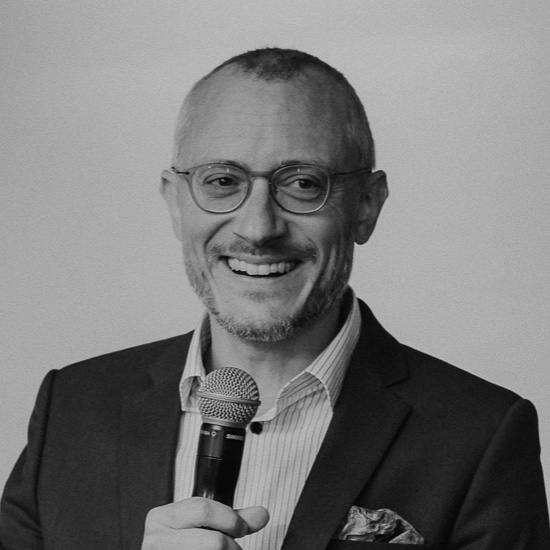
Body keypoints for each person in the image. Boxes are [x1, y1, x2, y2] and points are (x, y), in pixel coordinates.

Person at [1, 48, 548, 550]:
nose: (258, 228)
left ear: (366, 205)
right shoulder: (71, 410)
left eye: (303, 183)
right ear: (175, 203)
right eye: (222, 181)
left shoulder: (480, 436)